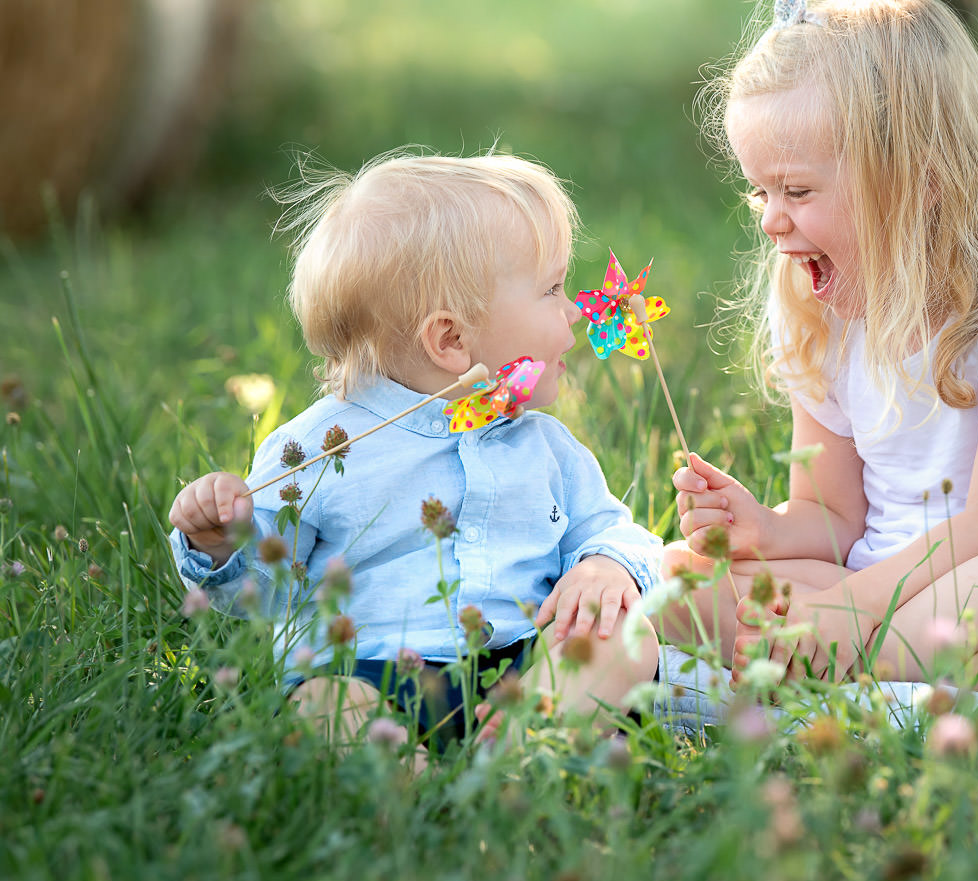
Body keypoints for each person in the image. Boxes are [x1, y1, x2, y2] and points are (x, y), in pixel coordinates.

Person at [666, 0, 978, 688]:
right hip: (884, 583)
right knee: (679, 575)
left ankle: (863, 656)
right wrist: (765, 532)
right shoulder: (816, 312)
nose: (771, 219)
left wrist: (847, 612)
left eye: (797, 190)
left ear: (921, 181)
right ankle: (917, 661)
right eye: (758, 191)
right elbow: (832, 514)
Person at [169, 152, 661, 762]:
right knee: (322, 704)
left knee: (628, 640)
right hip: (372, 669)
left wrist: (607, 566)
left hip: (523, 663)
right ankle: (398, 771)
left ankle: (522, 744)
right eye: (552, 289)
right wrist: (220, 542)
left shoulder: (545, 446)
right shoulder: (322, 448)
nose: (573, 311)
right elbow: (265, 592)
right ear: (451, 340)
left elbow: (617, 530)